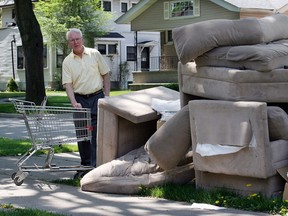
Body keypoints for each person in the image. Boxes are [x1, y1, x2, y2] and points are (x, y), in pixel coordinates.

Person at [62, 28, 110, 176]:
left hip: (97, 97)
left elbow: (106, 75)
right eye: (72, 40)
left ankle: (96, 166)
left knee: (97, 133)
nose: (75, 42)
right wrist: (73, 102)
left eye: (78, 39)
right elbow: (68, 84)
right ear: (69, 43)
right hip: (80, 100)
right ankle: (85, 165)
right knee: (82, 134)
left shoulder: (94, 54)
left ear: (82, 40)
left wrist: (106, 96)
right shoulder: (67, 62)